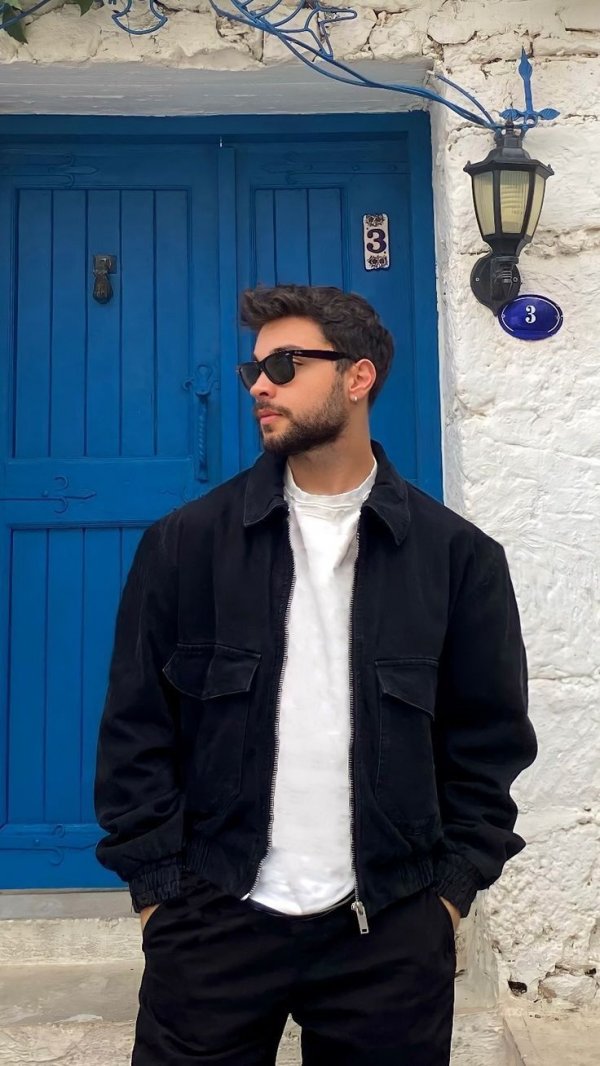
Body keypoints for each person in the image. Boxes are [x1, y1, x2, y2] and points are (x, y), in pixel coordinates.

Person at [94, 284, 537, 1066]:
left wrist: (447, 897)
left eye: (284, 365)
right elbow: (136, 728)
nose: (258, 386)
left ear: (358, 377)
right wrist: (159, 897)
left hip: (390, 931)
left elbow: (489, 741)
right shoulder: (186, 545)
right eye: (253, 369)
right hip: (212, 921)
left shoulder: (458, 558)